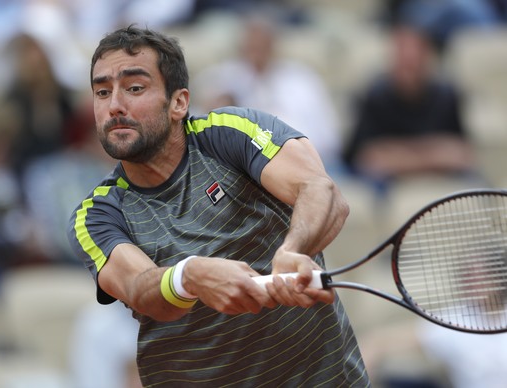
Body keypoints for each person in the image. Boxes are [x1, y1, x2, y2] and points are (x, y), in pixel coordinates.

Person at [67, 26, 369, 387]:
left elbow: (321, 191)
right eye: (102, 92)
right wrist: (190, 275)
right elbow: (141, 289)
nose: (115, 105)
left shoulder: (230, 133)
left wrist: (293, 250)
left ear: (178, 102)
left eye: (134, 88)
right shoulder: (98, 214)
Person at [192, 15, 343, 175]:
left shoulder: (302, 80)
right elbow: (197, 123)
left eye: (262, 46)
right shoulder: (222, 78)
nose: (256, 54)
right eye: (251, 46)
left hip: (305, 162)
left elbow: (328, 137)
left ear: (274, 46)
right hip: (243, 169)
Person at [343, 24, 477, 192]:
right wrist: (433, 153)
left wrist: (398, 154)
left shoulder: (447, 94)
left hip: (441, 178)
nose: (409, 61)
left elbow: (461, 154)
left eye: (414, 58)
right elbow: (367, 158)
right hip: (387, 184)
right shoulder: (374, 94)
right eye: (403, 57)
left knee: (475, 182)